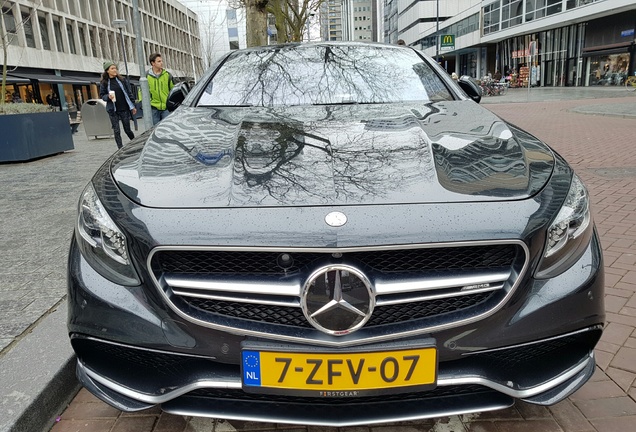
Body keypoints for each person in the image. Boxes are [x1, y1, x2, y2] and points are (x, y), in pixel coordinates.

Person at [100, 61, 137, 149]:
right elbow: (102, 95)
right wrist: (108, 97)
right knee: (116, 131)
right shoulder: (104, 83)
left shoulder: (122, 80)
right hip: (113, 110)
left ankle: (135, 144)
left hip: (124, 108)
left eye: (115, 68)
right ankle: (120, 149)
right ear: (107, 71)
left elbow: (129, 93)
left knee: (127, 130)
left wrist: (133, 106)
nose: (114, 70)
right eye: (112, 68)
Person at [146, 53, 174, 125]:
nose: (161, 63)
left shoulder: (167, 75)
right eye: (159, 61)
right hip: (153, 108)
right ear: (153, 63)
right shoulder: (146, 76)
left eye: (161, 61)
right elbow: (142, 91)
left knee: (167, 128)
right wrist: (146, 104)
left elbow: (173, 90)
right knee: (154, 130)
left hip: (166, 108)